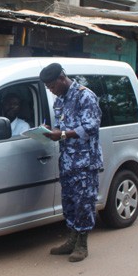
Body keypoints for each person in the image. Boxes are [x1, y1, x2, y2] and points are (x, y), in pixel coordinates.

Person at [40, 63, 103, 262]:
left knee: (84, 203)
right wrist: (50, 130)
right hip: (67, 160)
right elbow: (61, 127)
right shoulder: (60, 100)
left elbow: (91, 127)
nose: (51, 90)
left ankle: (82, 244)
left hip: (85, 161)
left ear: (61, 78)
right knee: (69, 202)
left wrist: (64, 133)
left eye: (51, 86)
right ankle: (71, 238)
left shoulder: (85, 96)